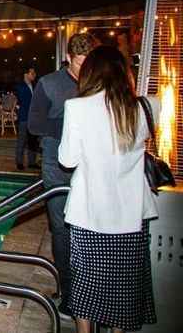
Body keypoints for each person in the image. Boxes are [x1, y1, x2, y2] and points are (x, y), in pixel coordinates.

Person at [58, 45, 158, 333]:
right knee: (123, 291)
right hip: (132, 216)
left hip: (90, 212)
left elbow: (67, 159)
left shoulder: (78, 108)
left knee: (86, 286)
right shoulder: (146, 106)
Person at [28, 32, 95, 319]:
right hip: (57, 165)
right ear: (69, 58)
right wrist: (72, 128)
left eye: (89, 64)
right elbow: (34, 124)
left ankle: (91, 290)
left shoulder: (99, 83)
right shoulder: (49, 84)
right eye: (80, 64)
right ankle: (68, 293)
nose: (84, 71)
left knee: (90, 229)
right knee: (62, 229)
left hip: (92, 166)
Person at [15, 65, 38, 170]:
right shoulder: (21, 86)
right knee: (22, 141)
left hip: (33, 118)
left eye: (34, 73)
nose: (34, 75)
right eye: (32, 73)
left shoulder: (34, 85)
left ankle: (32, 162)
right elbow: (25, 102)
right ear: (26, 74)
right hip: (24, 117)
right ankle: (19, 162)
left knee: (32, 141)